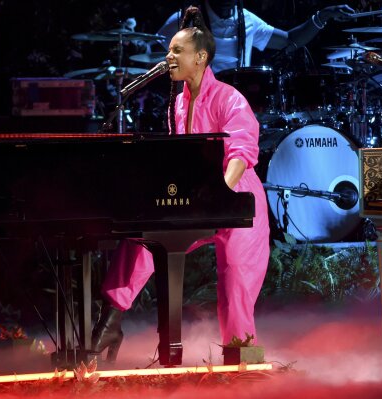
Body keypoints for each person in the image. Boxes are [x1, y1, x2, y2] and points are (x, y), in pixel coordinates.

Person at [90, 5, 270, 362]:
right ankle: (111, 320)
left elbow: (241, 151)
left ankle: (239, 359)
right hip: (196, 198)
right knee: (142, 240)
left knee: (235, 277)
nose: (168, 57)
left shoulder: (229, 98)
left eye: (176, 51)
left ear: (200, 57)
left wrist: (217, 195)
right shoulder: (178, 103)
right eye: (169, 50)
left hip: (237, 200)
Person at [156, 0, 355, 73]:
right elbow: (153, 49)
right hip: (197, 106)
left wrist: (323, 16)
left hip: (235, 104)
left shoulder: (247, 20)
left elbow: (289, 40)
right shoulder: (185, 20)